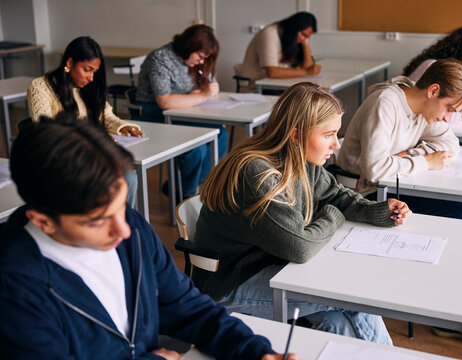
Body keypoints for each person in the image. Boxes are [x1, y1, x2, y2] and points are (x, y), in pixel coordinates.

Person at [0, 115, 296, 360]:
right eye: (99, 221)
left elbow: (186, 307)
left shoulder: (129, 226)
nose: (124, 230)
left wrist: (252, 351)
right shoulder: (14, 286)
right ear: (43, 221)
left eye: (121, 207)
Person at [192, 82, 411, 344]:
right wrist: (332, 215)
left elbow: (336, 195)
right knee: (353, 298)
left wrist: (378, 210)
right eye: (328, 135)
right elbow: (299, 246)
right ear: (296, 135)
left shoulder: (299, 160)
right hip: (230, 284)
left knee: (338, 322)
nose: (336, 145)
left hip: (272, 265)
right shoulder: (258, 172)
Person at [337, 59, 462, 221]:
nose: (448, 118)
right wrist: (427, 162)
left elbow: (451, 144)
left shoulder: (424, 107)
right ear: (433, 91)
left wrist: (410, 154)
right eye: (449, 109)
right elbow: (375, 170)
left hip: (391, 184)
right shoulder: (385, 103)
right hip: (361, 194)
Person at [27, 36, 142, 208]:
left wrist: (124, 126)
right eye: (87, 69)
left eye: (94, 71)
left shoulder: (89, 88)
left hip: (91, 157)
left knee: (129, 178)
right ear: (70, 62)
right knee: (120, 181)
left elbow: (107, 116)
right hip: (60, 161)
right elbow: (47, 131)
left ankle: (121, 228)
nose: (91, 78)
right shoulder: (40, 87)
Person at [136, 24, 228, 199]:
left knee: (221, 133)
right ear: (189, 47)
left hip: (184, 112)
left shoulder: (196, 62)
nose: (201, 61)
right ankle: (188, 195)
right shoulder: (160, 58)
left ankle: (186, 186)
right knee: (197, 147)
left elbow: (212, 88)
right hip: (154, 115)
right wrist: (202, 95)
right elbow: (165, 101)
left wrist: (200, 94)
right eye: (200, 56)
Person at [235, 12, 321, 90]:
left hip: (278, 87)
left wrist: (306, 44)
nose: (303, 38)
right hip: (256, 89)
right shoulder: (269, 33)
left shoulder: (295, 39)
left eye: (307, 37)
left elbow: (309, 68)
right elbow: (272, 72)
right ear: (294, 28)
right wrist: (306, 72)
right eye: (303, 34)